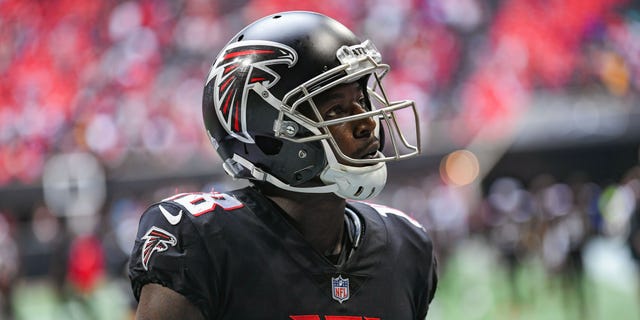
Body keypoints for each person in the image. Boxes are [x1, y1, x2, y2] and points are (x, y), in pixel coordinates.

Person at [129, 11, 438, 319]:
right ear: (269, 137)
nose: (367, 122)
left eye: (361, 101)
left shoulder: (405, 245)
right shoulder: (203, 240)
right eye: (335, 110)